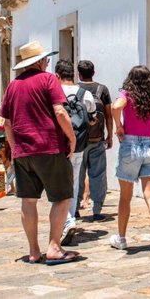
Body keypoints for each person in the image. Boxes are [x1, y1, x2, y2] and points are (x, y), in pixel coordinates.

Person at [0, 40, 82, 265]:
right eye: (46, 59)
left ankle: (34, 251)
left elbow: (7, 123)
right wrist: (71, 138)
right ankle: (54, 247)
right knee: (62, 197)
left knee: (28, 200)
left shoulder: (13, 86)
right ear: (41, 61)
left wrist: (15, 147)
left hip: (23, 152)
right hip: (50, 147)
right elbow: (60, 112)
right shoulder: (48, 79)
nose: (47, 62)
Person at [109, 65, 150, 256]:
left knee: (125, 197)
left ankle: (121, 238)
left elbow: (115, 107)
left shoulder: (127, 96)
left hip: (130, 146)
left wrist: (119, 126)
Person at [55, 59, 95, 245]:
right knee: (74, 182)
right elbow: (92, 117)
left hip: (58, 145)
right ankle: (70, 217)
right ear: (74, 75)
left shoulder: (54, 91)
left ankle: (66, 221)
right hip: (78, 144)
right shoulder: (85, 93)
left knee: (59, 184)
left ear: (57, 75)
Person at [77, 60, 113, 221]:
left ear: (78, 73)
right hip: (97, 139)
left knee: (78, 175)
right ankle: (97, 210)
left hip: (78, 141)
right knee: (98, 175)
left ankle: (75, 209)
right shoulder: (102, 90)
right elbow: (109, 114)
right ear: (93, 72)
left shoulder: (75, 89)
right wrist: (110, 135)